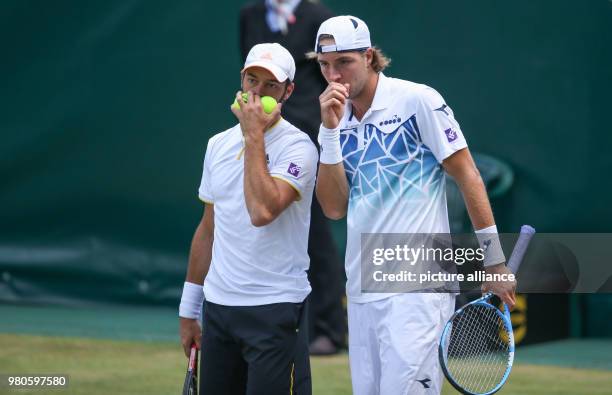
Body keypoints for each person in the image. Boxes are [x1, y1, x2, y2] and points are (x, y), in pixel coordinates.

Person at [312, 15, 517, 395]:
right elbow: (333, 208)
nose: (334, 75)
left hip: (419, 287)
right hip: (361, 286)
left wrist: (495, 260)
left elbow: (468, 174)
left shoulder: (417, 100)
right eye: (325, 65)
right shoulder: (333, 122)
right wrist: (328, 130)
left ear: (369, 56)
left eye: (344, 62)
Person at [178, 42, 318, 395]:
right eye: (251, 80)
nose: (257, 93)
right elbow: (208, 228)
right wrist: (189, 309)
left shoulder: (299, 147)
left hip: (276, 311)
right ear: (241, 80)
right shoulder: (216, 145)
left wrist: (253, 134)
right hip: (219, 310)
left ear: (288, 92)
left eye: (270, 85)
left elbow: (262, 212)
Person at [239, 0, 346, 354]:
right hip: (262, 137)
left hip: (306, 140)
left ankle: (329, 329)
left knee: (315, 234)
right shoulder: (250, 15)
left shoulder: (319, 18)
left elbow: (330, 79)